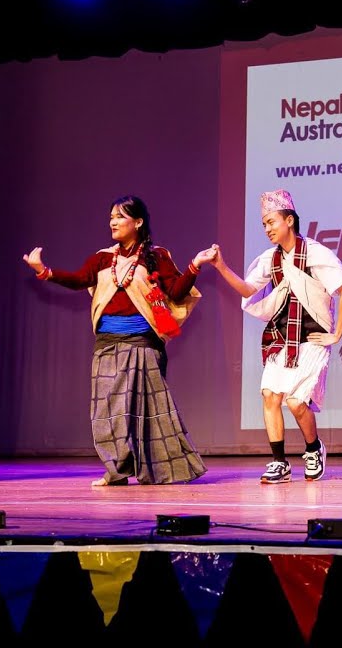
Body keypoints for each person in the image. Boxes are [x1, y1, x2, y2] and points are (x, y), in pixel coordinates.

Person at [22, 195, 210, 486]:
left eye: (120, 216)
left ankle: (165, 469)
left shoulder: (156, 256)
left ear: (138, 222)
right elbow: (78, 279)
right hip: (107, 344)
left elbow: (175, 291)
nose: (112, 221)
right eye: (111, 216)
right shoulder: (103, 258)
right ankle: (116, 471)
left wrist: (195, 265)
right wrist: (44, 272)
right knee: (107, 412)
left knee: (148, 411)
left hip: (142, 345)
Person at [209, 189, 342, 483]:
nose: (267, 229)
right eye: (263, 224)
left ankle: (313, 448)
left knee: (296, 402)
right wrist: (220, 266)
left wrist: (336, 334)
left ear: (289, 220)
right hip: (281, 338)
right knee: (269, 395)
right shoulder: (270, 259)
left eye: (271, 222)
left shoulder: (316, 254)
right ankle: (279, 462)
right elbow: (248, 290)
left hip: (313, 337)